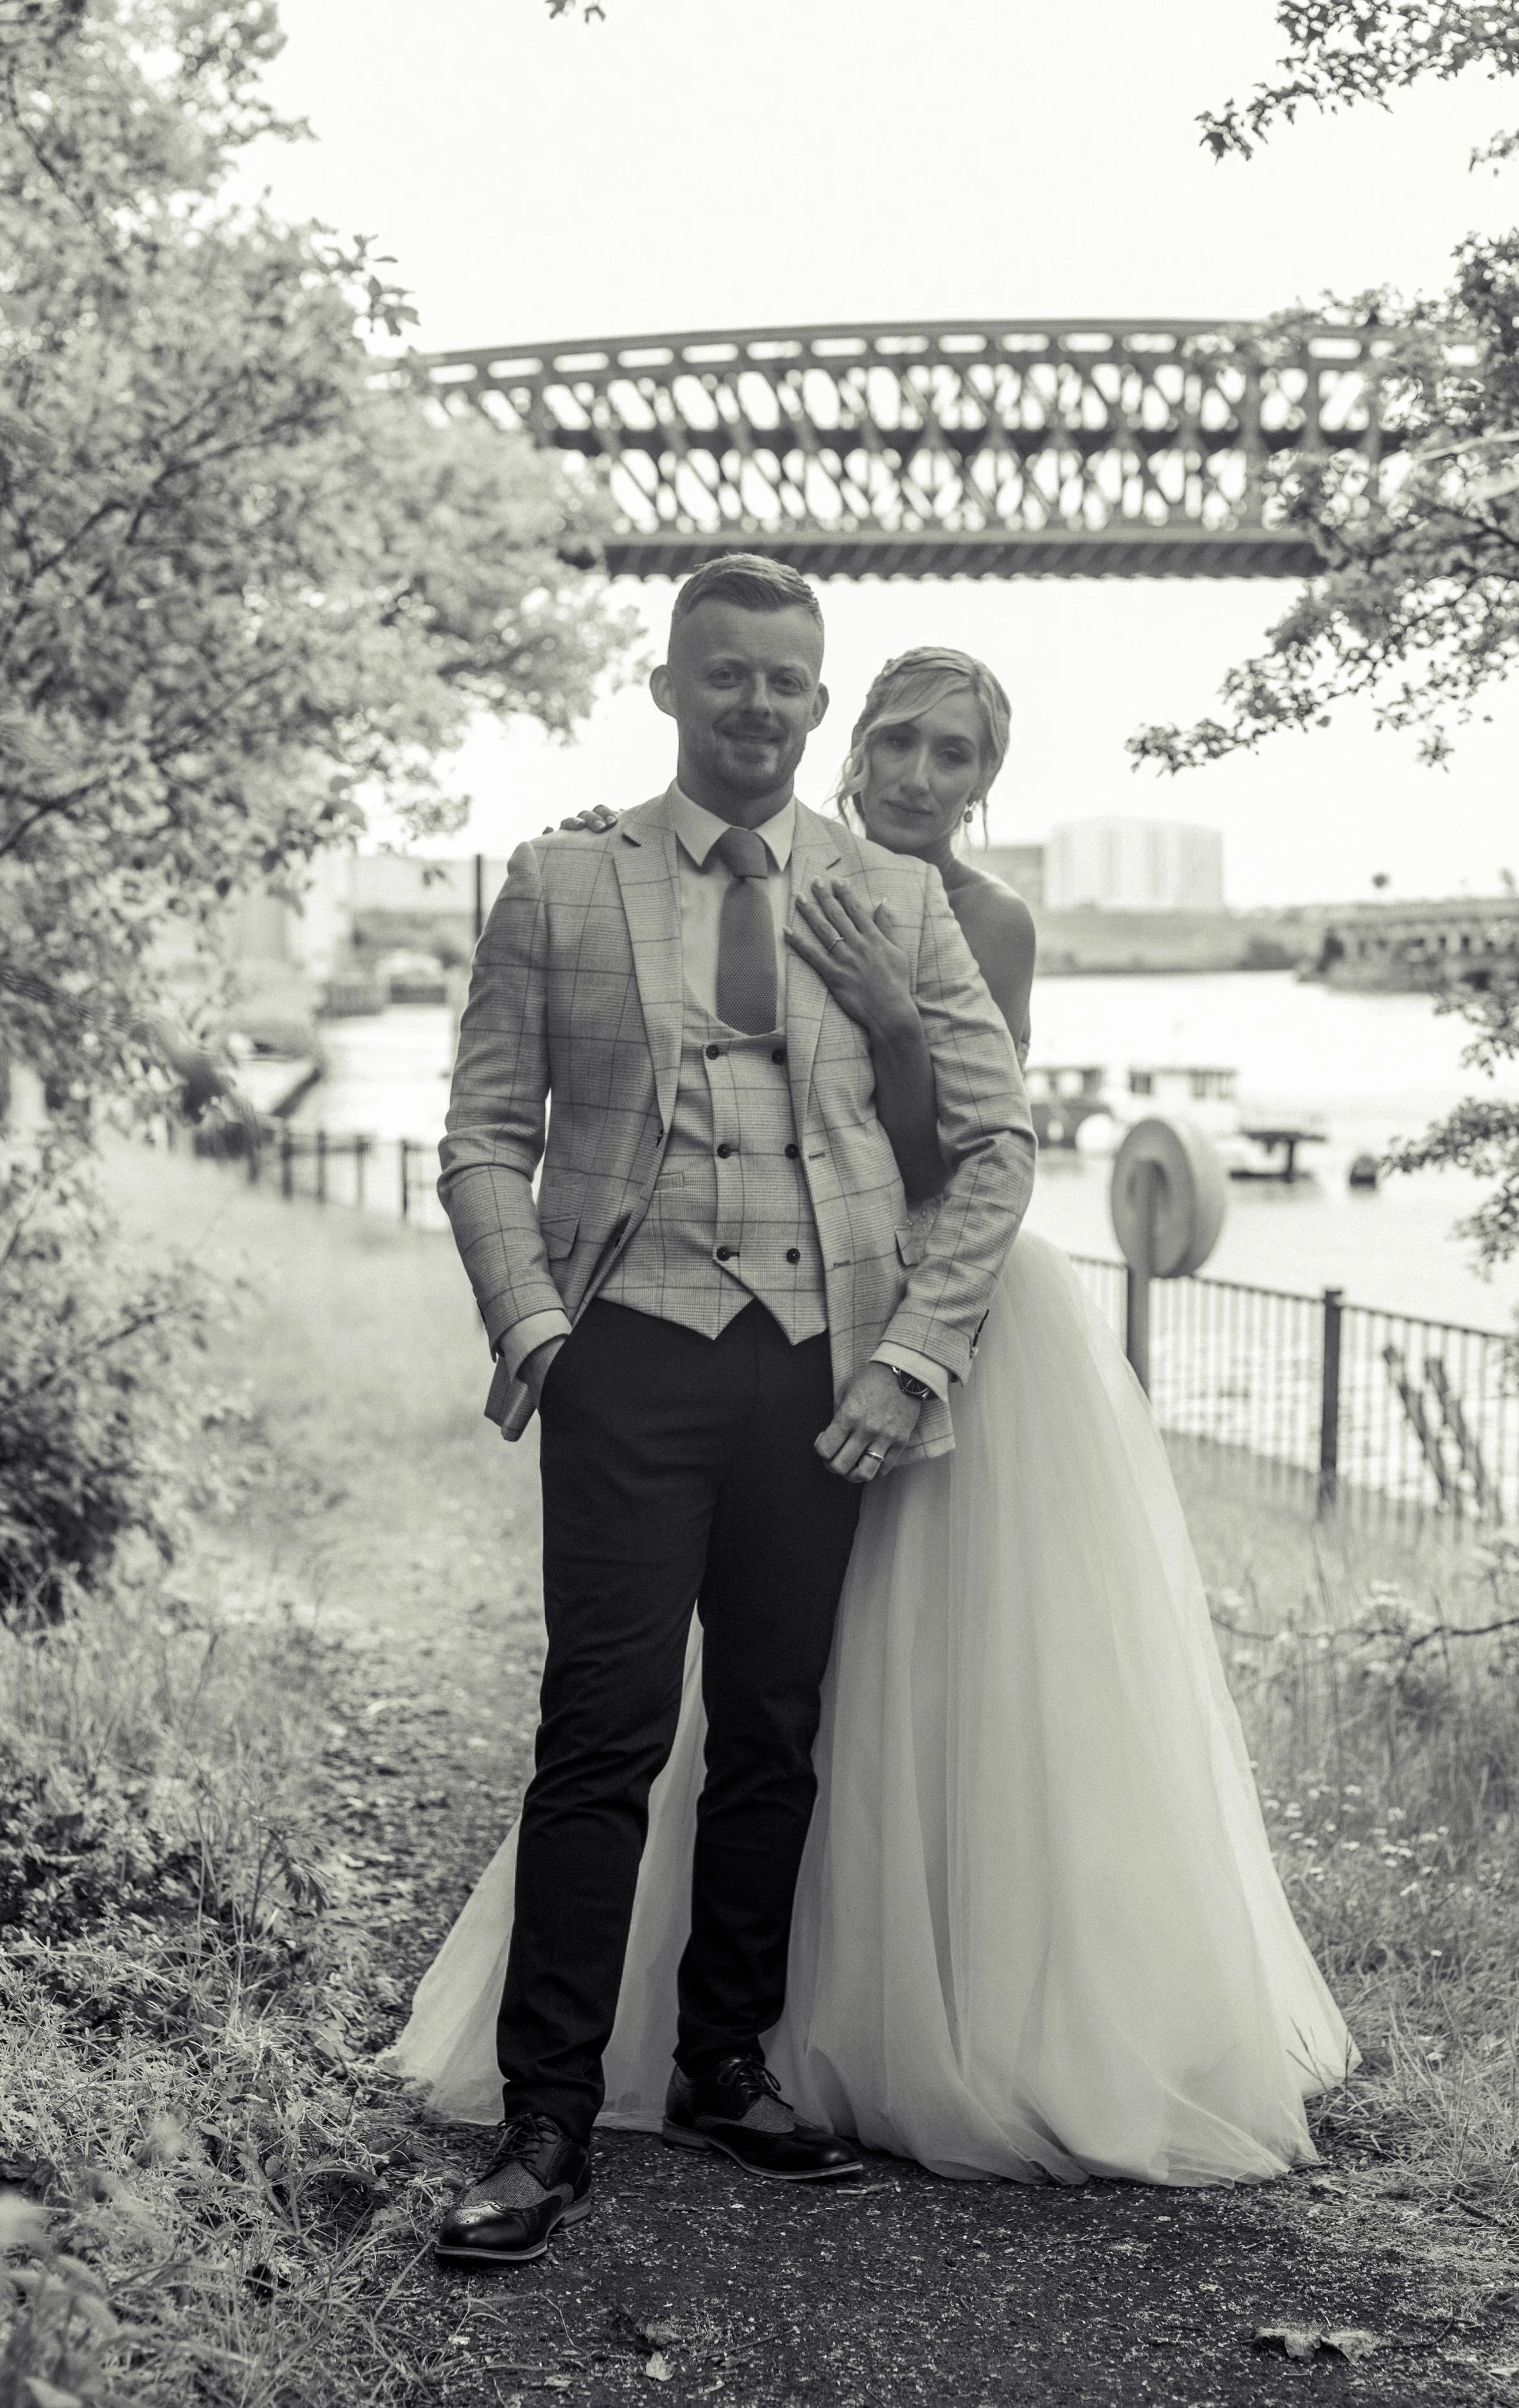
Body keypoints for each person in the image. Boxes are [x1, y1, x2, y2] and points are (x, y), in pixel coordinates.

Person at [417, 567, 1039, 2266]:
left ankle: (719, 2063)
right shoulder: (557, 879)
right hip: (625, 1344)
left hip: (821, 1361)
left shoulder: (892, 899)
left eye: (786, 682)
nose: (758, 706)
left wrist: (912, 1353)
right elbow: (480, 1130)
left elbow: (994, 1142)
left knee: (774, 1723)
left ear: (812, 701)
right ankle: (543, 2118)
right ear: (670, 683)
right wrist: (531, 1317)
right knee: (602, 1723)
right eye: (727, 677)